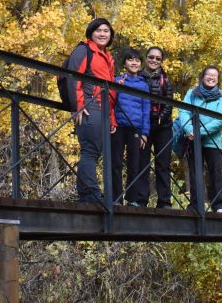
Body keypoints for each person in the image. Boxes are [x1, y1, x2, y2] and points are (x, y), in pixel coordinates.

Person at [66, 18, 117, 204]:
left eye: (106, 30)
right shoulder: (84, 50)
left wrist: (111, 118)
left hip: (103, 109)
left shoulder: (108, 57)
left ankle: (87, 193)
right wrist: (78, 106)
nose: (102, 34)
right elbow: (73, 79)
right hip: (89, 106)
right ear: (91, 32)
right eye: (98, 30)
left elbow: (110, 92)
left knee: (94, 152)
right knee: (90, 150)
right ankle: (90, 195)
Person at [174, 65, 222, 214]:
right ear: (203, 77)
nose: (211, 77)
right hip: (192, 139)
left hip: (212, 141)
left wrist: (199, 132)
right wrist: (189, 130)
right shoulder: (192, 93)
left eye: (214, 76)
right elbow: (183, 111)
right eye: (208, 75)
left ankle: (218, 205)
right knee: (194, 172)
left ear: (218, 80)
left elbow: (220, 119)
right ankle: (196, 205)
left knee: (215, 173)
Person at [134, 46, 174, 208]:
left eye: (158, 58)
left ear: (161, 61)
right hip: (142, 125)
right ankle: (141, 199)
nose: (154, 60)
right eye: (151, 57)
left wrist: (159, 119)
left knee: (163, 164)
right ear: (146, 58)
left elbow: (168, 103)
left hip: (162, 127)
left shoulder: (166, 81)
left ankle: (164, 201)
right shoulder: (137, 78)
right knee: (142, 163)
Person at [111, 48, 151, 206]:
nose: (134, 63)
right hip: (119, 126)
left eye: (137, 60)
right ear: (124, 63)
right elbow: (110, 103)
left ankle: (132, 199)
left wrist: (145, 133)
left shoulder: (143, 86)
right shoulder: (116, 80)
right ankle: (116, 198)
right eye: (130, 59)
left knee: (134, 164)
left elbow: (146, 110)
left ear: (141, 64)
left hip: (136, 129)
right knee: (116, 163)